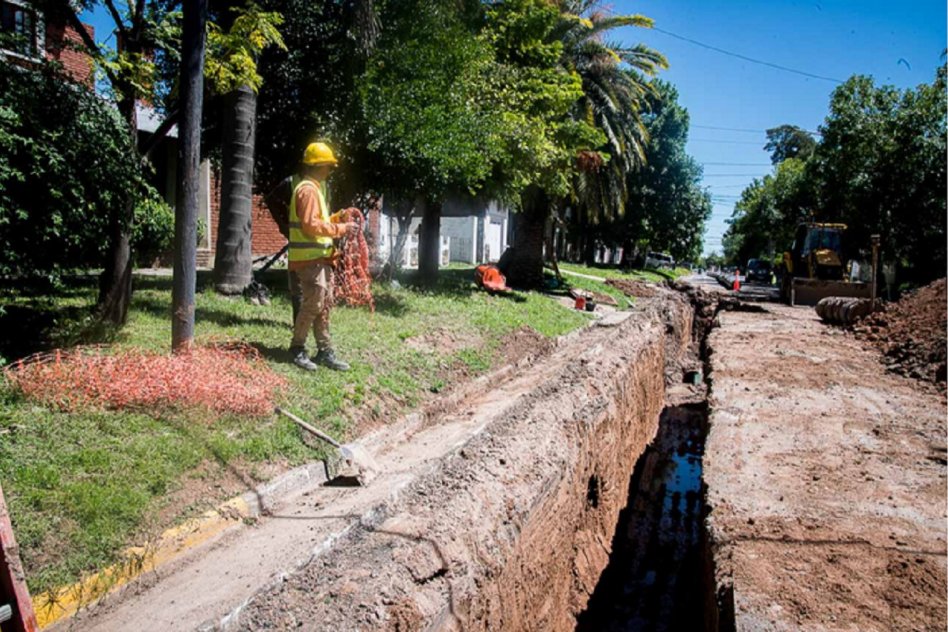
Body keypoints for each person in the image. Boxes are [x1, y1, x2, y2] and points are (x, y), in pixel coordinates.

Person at [287, 141, 357, 371]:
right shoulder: (307, 190)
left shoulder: (314, 188)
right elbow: (309, 226)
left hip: (320, 258)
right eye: (329, 166)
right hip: (309, 260)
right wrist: (341, 229)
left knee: (324, 305)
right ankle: (297, 348)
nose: (330, 170)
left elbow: (317, 222)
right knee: (314, 303)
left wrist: (336, 219)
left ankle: (325, 351)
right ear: (319, 165)